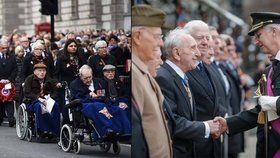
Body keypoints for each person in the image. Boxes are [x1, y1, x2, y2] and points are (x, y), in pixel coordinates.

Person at [214, 12, 280, 158]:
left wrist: (276, 103)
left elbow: (271, 106)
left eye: (258, 35)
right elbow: (262, 111)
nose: (256, 41)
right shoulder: (270, 69)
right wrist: (228, 123)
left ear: (274, 32)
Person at [155, 28, 221, 157]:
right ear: (177, 53)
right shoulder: (163, 77)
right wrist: (205, 127)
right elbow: (170, 121)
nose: (197, 53)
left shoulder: (181, 76)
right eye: (192, 48)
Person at [131, 4, 172, 158]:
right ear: (137, 37)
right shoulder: (136, 75)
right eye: (157, 36)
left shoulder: (144, 73)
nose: (161, 43)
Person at [184, 20, 228, 158]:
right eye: (199, 38)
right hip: (195, 147)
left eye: (207, 37)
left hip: (213, 145)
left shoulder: (206, 67)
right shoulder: (183, 69)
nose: (205, 42)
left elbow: (214, 101)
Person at [69, 65, 130, 140]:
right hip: (86, 105)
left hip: (103, 103)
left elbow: (105, 96)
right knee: (98, 106)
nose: (88, 80)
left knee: (119, 109)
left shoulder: (100, 82)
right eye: (85, 78)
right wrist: (89, 95)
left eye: (90, 77)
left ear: (92, 74)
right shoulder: (74, 84)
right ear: (80, 76)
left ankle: (126, 132)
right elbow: (74, 99)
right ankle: (107, 130)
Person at [23, 63, 60, 138]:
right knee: (41, 107)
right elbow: (27, 93)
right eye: (39, 71)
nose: (42, 72)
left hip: (47, 99)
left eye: (43, 71)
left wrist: (50, 98)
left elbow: (55, 92)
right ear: (35, 72)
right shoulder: (29, 79)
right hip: (33, 101)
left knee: (55, 106)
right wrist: (39, 99)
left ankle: (55, 131)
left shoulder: (49, 79)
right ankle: (43, 130)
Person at [0, 39, 17, 127]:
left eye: (6, 48)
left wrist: (9, 79)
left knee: (9, 99)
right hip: (0, 82)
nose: (5, 49)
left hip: (8, 82)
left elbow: (15, 69)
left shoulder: (12, 57)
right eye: (3, 48)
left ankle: (11, 119)